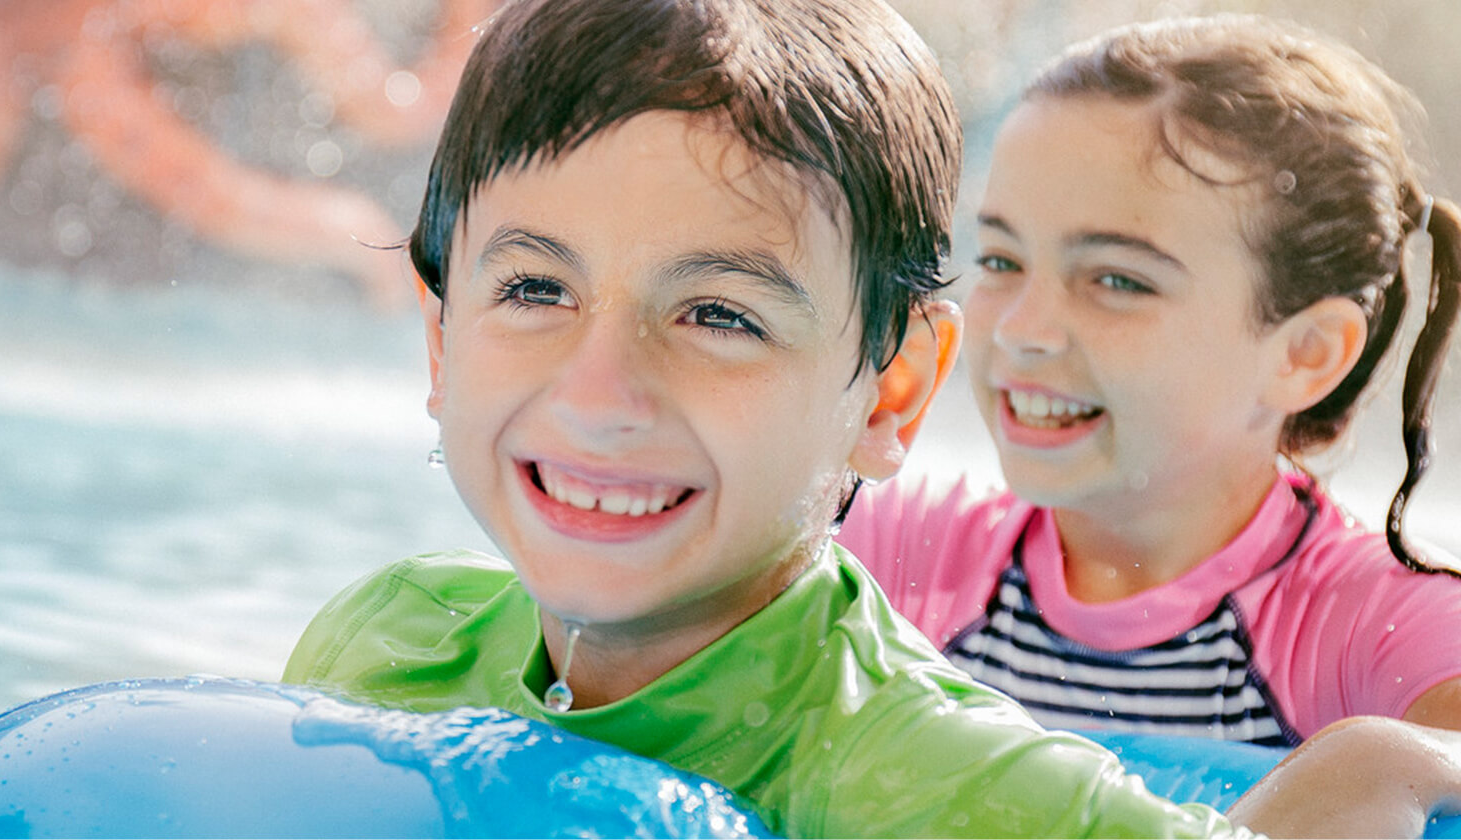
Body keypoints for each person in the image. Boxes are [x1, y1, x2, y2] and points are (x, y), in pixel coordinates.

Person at [281, 0, 1458, 837]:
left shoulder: (948, 785)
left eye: (719, 314)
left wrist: (1378, 763)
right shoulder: (383, 641)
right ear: (440, 342)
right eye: (535, 289)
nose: (599, 395)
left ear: (891, 393)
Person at [837, 15, 1461, 753]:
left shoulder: (1360, 625)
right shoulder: (898, 553)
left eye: (1117, 279)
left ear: (1305, 353)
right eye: (1003, 260)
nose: (1020, 329)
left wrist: (1388, 760)